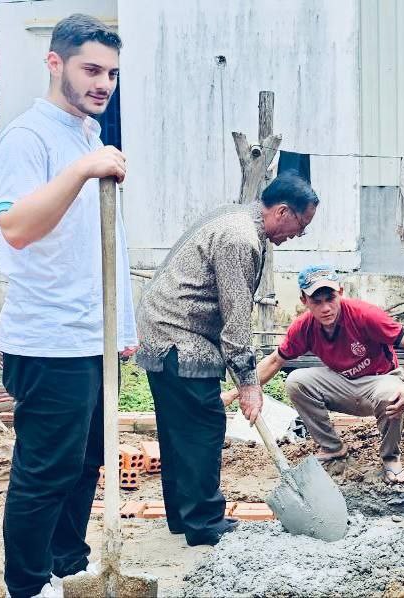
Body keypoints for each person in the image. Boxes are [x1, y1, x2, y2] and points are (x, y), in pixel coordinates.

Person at [0, 14, 136, 598]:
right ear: (55, 63)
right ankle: (25, 586)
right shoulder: (28, 139)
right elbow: (18, 227)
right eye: (91, 70)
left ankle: (65, 565)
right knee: (47, 470)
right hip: (49, 340)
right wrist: (79, 170)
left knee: (86, 463)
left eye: (112, 74)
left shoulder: (87, 136)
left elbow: (96, 246)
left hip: (92, 337)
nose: (104, 84)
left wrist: (120, 327)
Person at [135, 173, 319, 546]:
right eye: (301, 225)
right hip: (180, 336)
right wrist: (249, 385)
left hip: (160, 330)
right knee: (203, 425)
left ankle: (183, 517)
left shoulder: (236, 219)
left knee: (178, 429)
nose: (298, 235)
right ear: (283, 212)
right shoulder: (241, 238)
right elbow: (236, 321)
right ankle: (203, 521)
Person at [224, 265, 404, 483]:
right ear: (304, 301)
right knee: (296, 381)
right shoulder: (304, 327)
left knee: (392, 393)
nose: (325, 308)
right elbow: (274, 361)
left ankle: (391, 458)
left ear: (341, 292)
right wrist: (233, 394)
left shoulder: (364, 315)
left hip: (379, 381)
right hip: (342, 384)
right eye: (317, 301)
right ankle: (332, 448)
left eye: (330, 298)